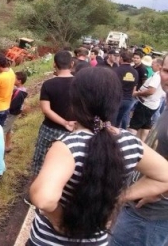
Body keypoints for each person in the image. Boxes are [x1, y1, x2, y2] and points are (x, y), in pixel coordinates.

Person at [27, 67, 168, 246]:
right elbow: (165, 176)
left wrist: (59, 221)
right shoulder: (130, 142)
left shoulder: (68, 146)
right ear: (116, 101)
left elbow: (43, 198)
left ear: (75, 101)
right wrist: (120, 197)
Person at [110, 55, 168, 246]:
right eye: (167, 71)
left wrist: (160, 193)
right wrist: (120, 136)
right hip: (136, 205)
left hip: (151, 217)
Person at [31, 50, 75, 177]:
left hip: (49, 129)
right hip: (73, 130)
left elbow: (46, 109)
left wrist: (64, 122)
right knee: (67, 162)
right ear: (72, 64)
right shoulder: (81, 83)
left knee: (40, 160)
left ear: (54, 64)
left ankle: (35, 190)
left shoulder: (48, 84)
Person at [129, 58, 164, 141]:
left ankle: (130, 142)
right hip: (153, 104)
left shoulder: (157, 76)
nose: (151, 66)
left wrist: (137, 93)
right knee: (146, 125)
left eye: (153, 64)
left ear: (158, 66)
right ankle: (143, 142)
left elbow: (151, 91)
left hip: (145, 104)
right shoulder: (160, 75)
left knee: (134, 125)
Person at [3, 71, 28, 152]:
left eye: (14, 78)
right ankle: (8, 146)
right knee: (9, 129)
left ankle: (0, 149)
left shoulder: (19, 92)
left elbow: (13, 104)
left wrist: (6, 109)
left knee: (3, 130)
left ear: (19, 81)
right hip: (14, 113)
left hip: (11, 113)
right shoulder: (21, 90)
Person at [114, 51, 138, 129]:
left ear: (121, 58)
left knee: (111, 122)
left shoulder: (116, 70)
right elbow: (134, 88)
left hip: (116, 99)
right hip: (128, 100)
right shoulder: (135, 72)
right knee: (118, 121)